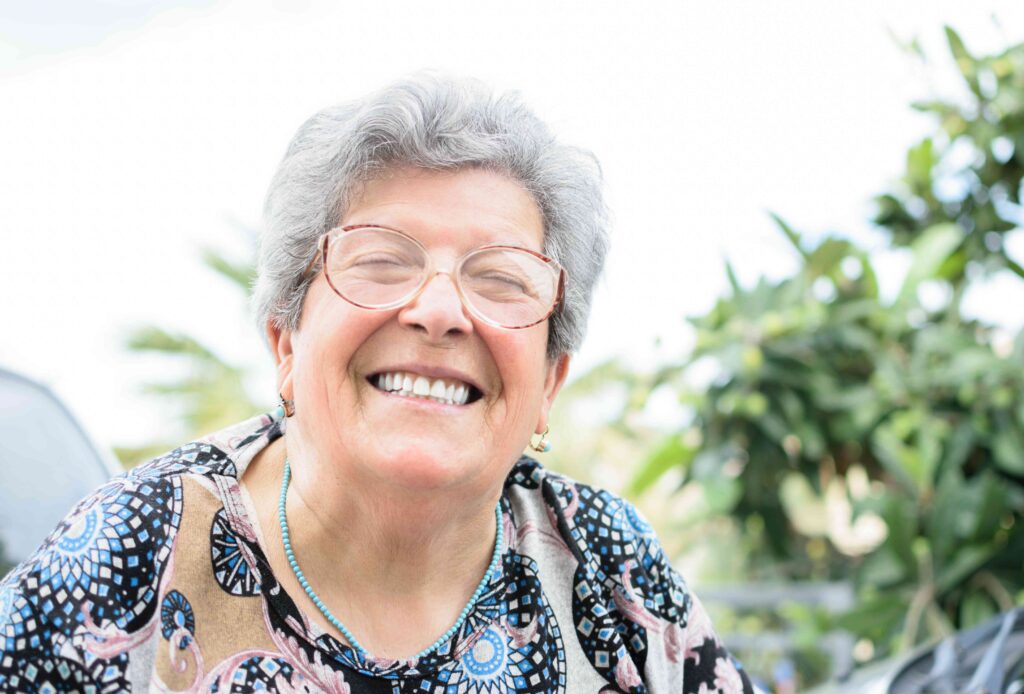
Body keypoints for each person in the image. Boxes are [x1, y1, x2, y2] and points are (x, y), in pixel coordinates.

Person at [0, 75, 755, 692]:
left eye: (499, 278)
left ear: (550, 380)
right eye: (381, 261)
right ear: (285, 340)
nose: (438, 311)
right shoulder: (132, 552)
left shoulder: (609, 571)